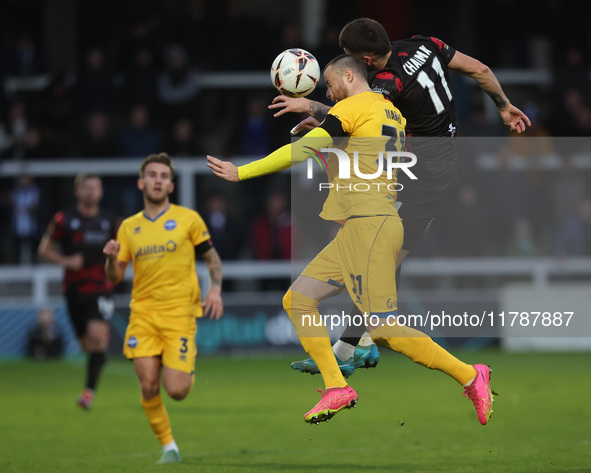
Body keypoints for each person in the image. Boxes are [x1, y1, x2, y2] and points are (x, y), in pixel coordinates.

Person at [207, 55, 493, 426]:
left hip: (370, 226)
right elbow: (355, 160)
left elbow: (302, 150)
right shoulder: (390, 112)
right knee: (298, 299)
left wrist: (241, 171)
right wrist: (329, 135)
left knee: (385, 330)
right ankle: (336, 386)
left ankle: (472, 376)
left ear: (349, 75)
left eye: (330, 83)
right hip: (359, 227)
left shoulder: (353, 109)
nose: (327, 91)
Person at [269, 17, 530, 379]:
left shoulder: (386, 84)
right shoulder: (425, 44)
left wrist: (312, 108)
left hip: (426, 176)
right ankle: (352, 347)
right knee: (379, 252)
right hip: (438, 166)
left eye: (352, 58)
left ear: (367, 58)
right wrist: (503, 105)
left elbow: (363, 118)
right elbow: (479, 68)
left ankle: (356, 348)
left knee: (377, 249)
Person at [103, 152, 223, 464]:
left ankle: (182, 368)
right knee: (147, 384)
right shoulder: (129, 227)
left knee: (178, 390)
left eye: (163, 176)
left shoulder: (189, 219)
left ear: (170, 185)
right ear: (142, 182)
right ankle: (169, 446)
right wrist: (110, 257)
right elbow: (115, 276)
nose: (158, 180)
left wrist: (216, 290)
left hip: (179, 314)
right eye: (152, 175)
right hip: (142, 314)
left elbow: (211, 257)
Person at [38, 174, 119, 409]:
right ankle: (100, 353)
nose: (91, 192)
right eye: (87, 188)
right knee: (88, 346)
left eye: (95, 188)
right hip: (73, 290)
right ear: (78, 192)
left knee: (96, 336)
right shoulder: (65, 219)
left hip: (101, 288)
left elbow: (128, 247)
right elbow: (44, 249)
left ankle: (88, 394)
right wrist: (66, 260)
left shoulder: (111, 220)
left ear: (101, 192)